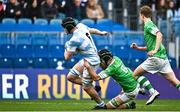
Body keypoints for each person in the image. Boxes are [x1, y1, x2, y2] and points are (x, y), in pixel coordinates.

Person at [131, 5, 180, 104]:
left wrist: (155, 51)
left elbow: (159, 35)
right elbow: (150, 47)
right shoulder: (151, 24)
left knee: (135, 75)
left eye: (140, 15)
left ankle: (152, 92)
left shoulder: (148, 25)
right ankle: (145, 90)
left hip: (156, 58)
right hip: (163, 59)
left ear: (142, 15)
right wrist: (138, 48)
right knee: (175, 81)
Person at [62, 17, 108, 108]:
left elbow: (67, 57)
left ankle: (101, 105)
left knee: (86, 87)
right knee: (70, 77)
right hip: (89, 58)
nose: (64, 29)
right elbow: (92, 30)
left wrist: (66, 46)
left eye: (64, 27)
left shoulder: (73, 40)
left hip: (91, 61)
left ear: (68, 27)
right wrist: (101, 33)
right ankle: (94, 87)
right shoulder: (81, 26)